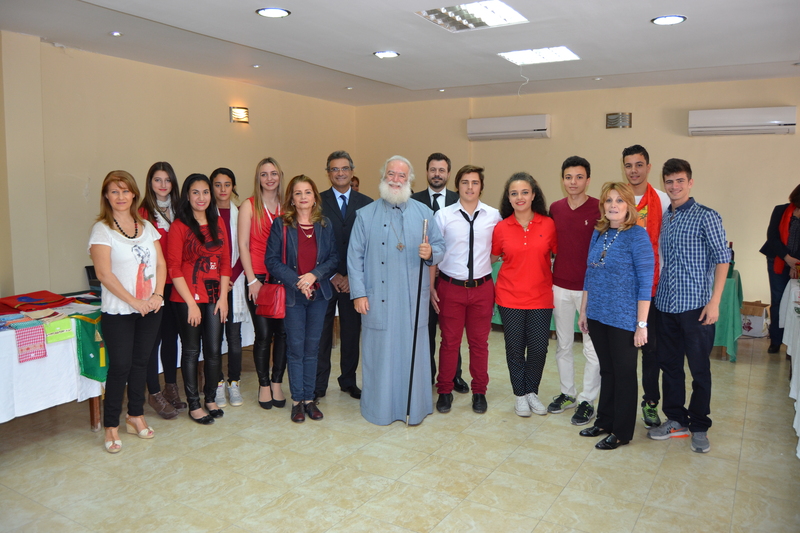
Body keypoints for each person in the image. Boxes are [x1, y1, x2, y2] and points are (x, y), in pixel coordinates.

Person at [348, 155, 445, 425]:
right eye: (391, 174)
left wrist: (431, 252)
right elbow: (354, 257)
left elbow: (440, 247)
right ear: (383, 176)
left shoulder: (424, 213)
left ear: (409, 180)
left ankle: (415, 407)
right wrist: (359, 293)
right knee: (380, 356)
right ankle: (380, 410)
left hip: (412, 300)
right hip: (377, 299)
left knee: (412, 354)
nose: (396, 179)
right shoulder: (365, 215)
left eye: (402, 175)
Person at [648, 159, 731, 454]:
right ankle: (676, 420)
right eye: (669, 181)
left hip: (696, 307)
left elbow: (723, 259)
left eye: (680, 181)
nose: (675, 187)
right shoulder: (665, 218)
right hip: (665, 305)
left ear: (690, 182)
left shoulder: (706, 216)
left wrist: (715, 302)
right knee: (670, 367)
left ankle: (699, 425)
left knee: (699, 370)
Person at [89, 171, 165, 453]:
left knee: (141, 363)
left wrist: (157, 295)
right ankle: (111, 425)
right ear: (106, 196)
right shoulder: (102, 230)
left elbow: (161, 264)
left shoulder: (146, 226)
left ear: (134, 194)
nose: (120, 196)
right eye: (114, 191)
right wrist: (135, 302)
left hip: (151, 308)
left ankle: (135, 415)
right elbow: (103, 274)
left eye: (125, 191)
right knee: (120, 366)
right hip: (119, 311)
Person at [577, 182, 654, 450]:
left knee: (624, 374)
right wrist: (584, 311)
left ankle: (621, 432)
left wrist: (642, 325)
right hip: (598, 315)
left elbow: (645, 283)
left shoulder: (637, 235)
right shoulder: (598, 232)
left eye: (619, 200)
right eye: (608, 200)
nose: (613, 205)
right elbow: (589, 274)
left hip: (624, 319)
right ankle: (605, 421)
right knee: (607, 370)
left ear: (629, 205)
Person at [266, 175, 339, 423]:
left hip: (319, 296)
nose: (303, 197)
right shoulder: (281, 225)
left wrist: (313, 275)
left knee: (313, 348)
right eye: (298, 193)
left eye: (308, 192)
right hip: (293, 297)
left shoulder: (325, 224)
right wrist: (299, 281)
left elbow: (333, 258)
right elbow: (271, 261)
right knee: (296, 349)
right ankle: (297, 401)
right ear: (292, 199)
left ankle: (309, 399)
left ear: (314, 197)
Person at [433, 165, 501, 414]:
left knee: (479, 343)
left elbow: (497, 251)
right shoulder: (443, 216)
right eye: (465, 182)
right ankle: (444, 390)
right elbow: (435, 253)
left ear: (481, 186)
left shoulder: (493, 216)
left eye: (475, 182)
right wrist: (431, 287)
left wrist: (482, 266)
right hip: (451, 288)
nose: (470, 187)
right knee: (449, 342)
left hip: (482, 288)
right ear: (457, 186)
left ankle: (479, 392)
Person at [491, 172, 557, 417]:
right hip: (509, 297)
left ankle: (531, 391)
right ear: (508, 198)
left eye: (524, 192)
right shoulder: (501, 228)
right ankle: (520, 395)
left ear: (533, 195)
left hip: (541, 297)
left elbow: (560, 254)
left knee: (539, 348)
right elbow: (491, 257)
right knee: (515, 349)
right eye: (514, 193)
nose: (519, 197)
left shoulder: (548, 224)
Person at [167, 173, 231, 425]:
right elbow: (173, 268)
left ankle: (210, 398)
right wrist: (191, 304)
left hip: (214, 296)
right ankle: (194, 404)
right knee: (192, 350)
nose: (201, 197)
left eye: (205, 192)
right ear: (187, 195)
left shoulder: (218, 222)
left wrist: (223, 298)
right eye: (195, 192)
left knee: (214, 350)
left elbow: (225, 261)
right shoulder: (179, 226)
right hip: (186, 299)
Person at [548, 156, 601, 426]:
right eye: (568, 177)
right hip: (559, 287)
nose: (573, 182)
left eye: (579, 177)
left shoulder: (599, 208)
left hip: (589, 291)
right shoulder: (555, 208)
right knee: (564, 344)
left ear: (588, 180)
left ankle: (587, 400)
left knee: (592, 349)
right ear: (562, 180)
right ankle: (567, 393)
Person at [316, 151, 373, 401]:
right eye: (335, 169)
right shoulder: (316, 201)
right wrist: (331, 275)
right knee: (322, 334)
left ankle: (348, 381)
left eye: (344, 168)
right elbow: (313, 244)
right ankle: (318, 384)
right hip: (325, 280)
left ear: (352, 171)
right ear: (328, 173)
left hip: (354, 281)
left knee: (351, 334)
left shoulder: (368, 203)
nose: (340, 173)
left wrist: (351, 276)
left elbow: (371, 245)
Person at [411, 152, 468, 394]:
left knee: (451, 333)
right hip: (421, 277)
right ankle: (427, 376)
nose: (437, 174)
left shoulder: (459, 200)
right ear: (427, 172)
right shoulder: (413, 201)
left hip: (450, 278)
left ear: (448, 174)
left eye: (441, 170)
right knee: (426, 331)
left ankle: (455, 376)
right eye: (433, 169)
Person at [622, 144, 671, 429]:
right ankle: (622, 404)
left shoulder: (663, 200)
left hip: (652, 287)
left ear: (648, 167)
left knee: (652, 350)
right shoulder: (618, 198)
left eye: (639, 165)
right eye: (629, 165)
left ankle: (650, 403)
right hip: (622, 289)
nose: (634, 170)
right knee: (622, 352)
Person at [238, 158, 287, 409]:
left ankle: (277, 382)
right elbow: (243, 245)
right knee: (264, 335)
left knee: (283, 334)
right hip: (258, 279)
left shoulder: (287, 206)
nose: (269, 178)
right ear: (258, 178)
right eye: (264, 174)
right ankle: (264, 384)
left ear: (280, 176)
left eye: (273, 173)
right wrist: (251, 280)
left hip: (283, 279)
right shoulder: (249, 205)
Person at [138, 161, 186, 420]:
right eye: (158, 180)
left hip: (176, 284)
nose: (163, 185)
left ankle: (170, 387)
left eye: (167, 180)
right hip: (153, 287)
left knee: (171, 337)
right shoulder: (142, 212)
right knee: (152, 340)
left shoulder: (181, 209)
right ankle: (154, 392)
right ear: (150, 183)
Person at [211, 167, 247, 407]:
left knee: (234, 337)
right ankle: (217, 384)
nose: (223, 189)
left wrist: (230, 278)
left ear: (233, 187)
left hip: (235, 282)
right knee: (214, 338)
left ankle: (234, 382)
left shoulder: (240, 213)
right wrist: (219, 279)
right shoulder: (205, 214)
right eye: (218, 184)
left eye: (227, 184)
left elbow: (245, 247)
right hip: (212, 284)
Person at [759, 185, 800, 353]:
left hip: (797, 264)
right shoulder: (780, 210)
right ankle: (776, 340)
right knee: (778, 301)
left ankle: (792, 345)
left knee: (794, 303)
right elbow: (773, 237)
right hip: (777, 260)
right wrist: (787, 259)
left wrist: (796, 264)